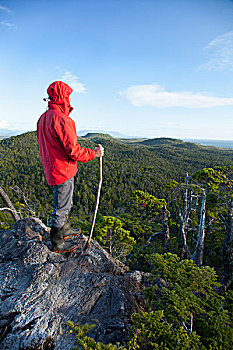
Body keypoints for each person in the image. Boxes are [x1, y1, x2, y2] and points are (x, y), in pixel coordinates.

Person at [37, 81, 104, 253]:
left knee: (65, 202)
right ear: (62, 97)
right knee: (61, 206)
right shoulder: (62, 119)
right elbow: (73, 151)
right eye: (68, 97)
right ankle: (57, 242)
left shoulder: (44, 118)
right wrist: (94, 154)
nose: (69, 100)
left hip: (53, 167)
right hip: (62, 170)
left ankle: (65, 229)